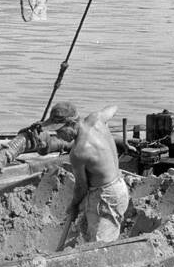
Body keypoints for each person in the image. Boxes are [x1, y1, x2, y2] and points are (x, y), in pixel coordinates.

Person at [42, 101, 129, 247]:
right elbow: (114, 107)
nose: (58, 135)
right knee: (90, 228)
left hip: (106, 197)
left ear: (70, 124)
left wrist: (74, 205)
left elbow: (81, 187)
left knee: (101, 246)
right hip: (119, 186)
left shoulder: (78, 152)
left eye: (59, 130)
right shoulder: (96, 118)